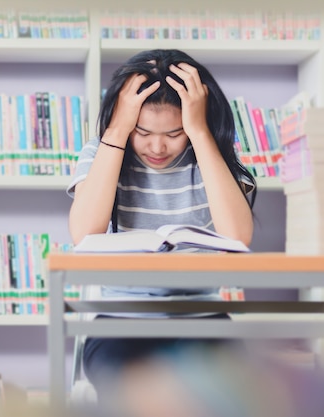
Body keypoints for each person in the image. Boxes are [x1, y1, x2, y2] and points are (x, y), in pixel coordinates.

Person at [65, 49, 258, 404]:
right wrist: (118, 130)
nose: (157, 146)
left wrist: (200, 134)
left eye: (174, 132)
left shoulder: (212, 159)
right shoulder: (102, 153)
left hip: (202, 315)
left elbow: (238, 236)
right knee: (132, 392)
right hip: (120, 319)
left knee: (219, 391)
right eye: (143, 131)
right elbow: (84, 233)